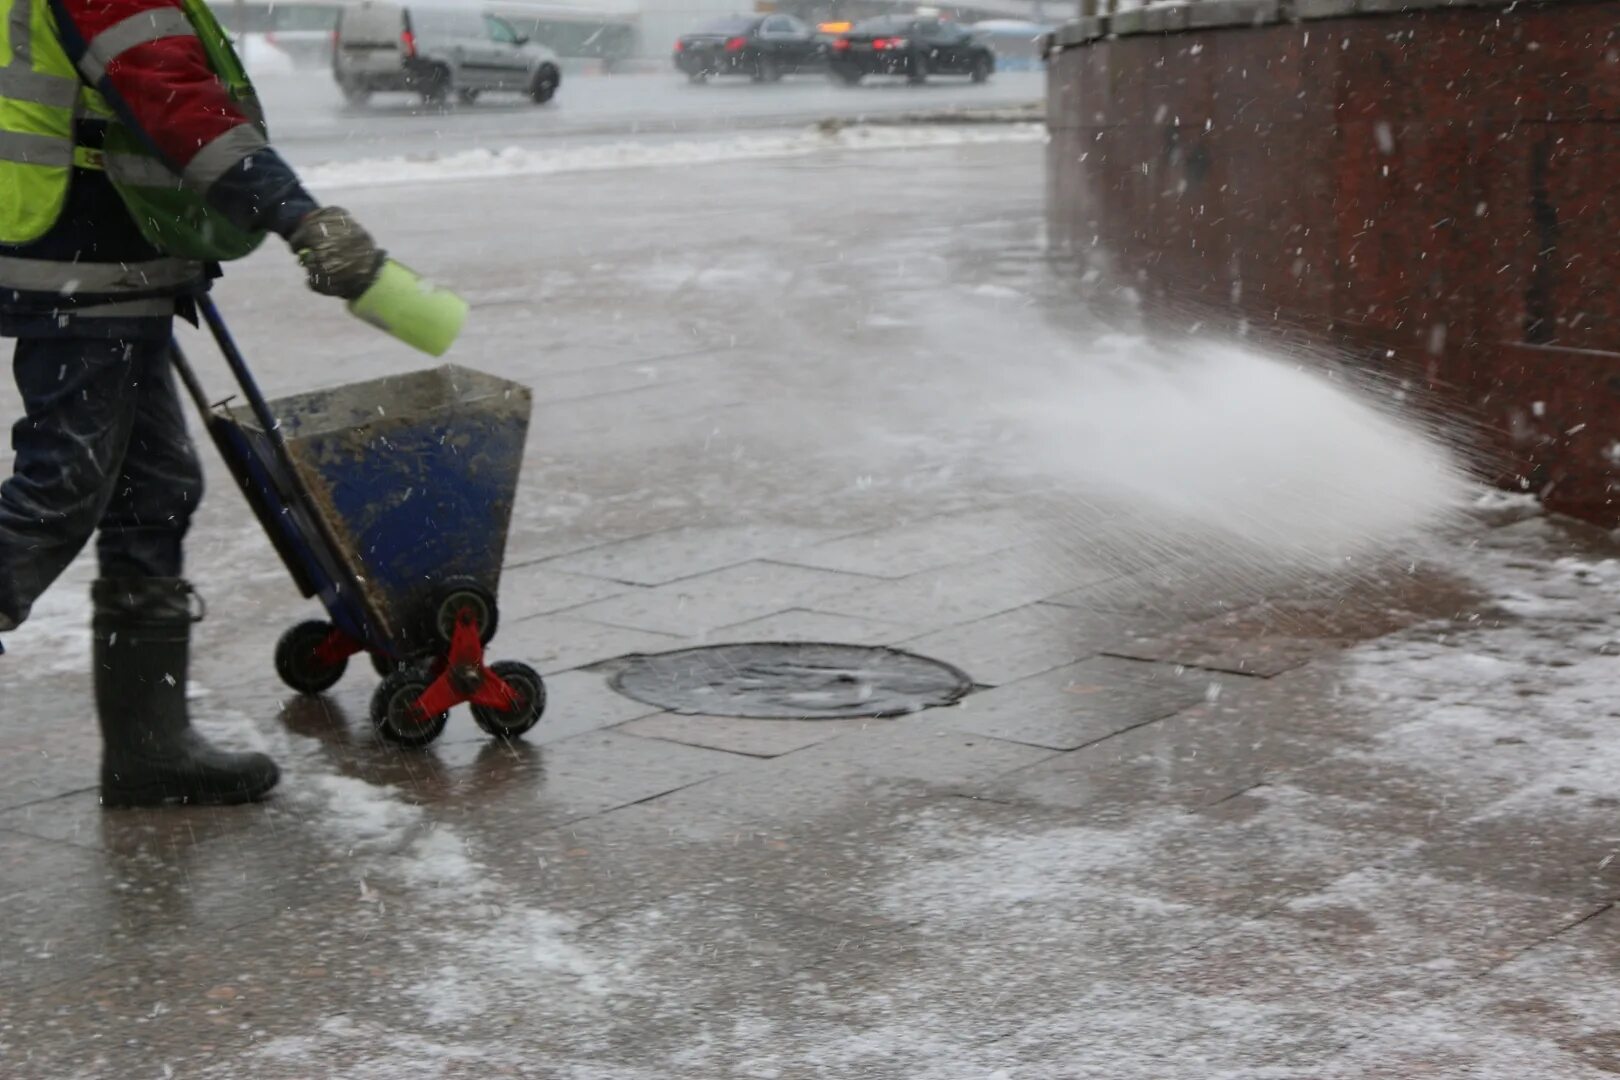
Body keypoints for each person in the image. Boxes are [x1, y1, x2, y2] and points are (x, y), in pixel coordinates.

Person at [0, 0, 387, 807]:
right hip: (82, 267)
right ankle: (148, 742)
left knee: (153, 494)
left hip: (108, 266)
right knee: (58, 493)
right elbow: (178, 105)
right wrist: (299, 214)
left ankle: (149, 745)